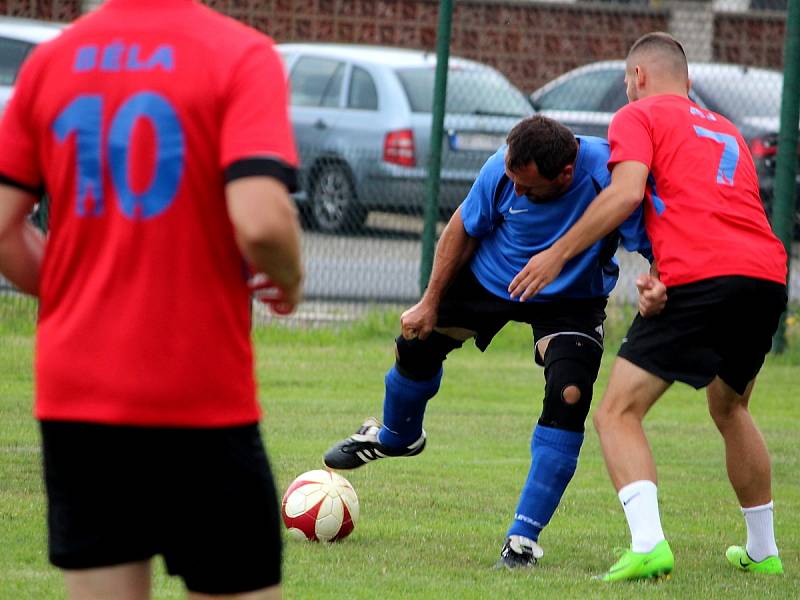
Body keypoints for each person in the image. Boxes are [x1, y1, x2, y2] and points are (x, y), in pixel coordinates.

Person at [0, 1, 303, 598]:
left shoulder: (52, 60)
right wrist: (290, 277)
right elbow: (262, 223)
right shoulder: (239, 55)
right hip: (196, 393)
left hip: (78, 397)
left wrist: (75, 288)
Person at [508, 32, 788, 581]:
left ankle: (648, 544)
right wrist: (661, 275)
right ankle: (763, 551)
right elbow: (701, 208)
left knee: (617, 412)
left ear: (637, 77)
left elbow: (627, 193)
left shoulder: (636, 116)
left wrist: (555, 256)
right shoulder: (725, 128)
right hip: (765, 275)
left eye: (627, 82)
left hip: (704, 276)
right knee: (730, 407)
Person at [323, 115, 652, 569]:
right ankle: (397, 437)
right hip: (489, 281)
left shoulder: (608, 176)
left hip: (572, 300)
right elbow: (462, 228)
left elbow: (653, 241)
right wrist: (429, 301)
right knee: (415, 343)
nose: (517, 193)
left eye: (529, 187)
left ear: (565, 174)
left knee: (570, 394)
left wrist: (657, 280)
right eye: (514, 182)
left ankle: (522, 540)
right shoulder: (502, 170)